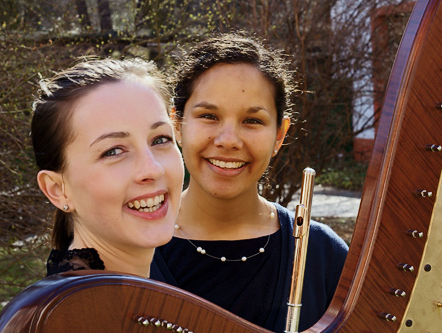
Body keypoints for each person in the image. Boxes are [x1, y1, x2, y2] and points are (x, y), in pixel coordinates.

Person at [150, 33, 349, 331]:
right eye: (209, 115)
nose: (229, 141)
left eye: (252, 121)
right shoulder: (134, 245)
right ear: (177, 124)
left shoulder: (321, 253)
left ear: (279, 135)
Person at [32, 58, 184, 278]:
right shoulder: (75, 310)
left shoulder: (154, 286)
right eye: (113, 151)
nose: (153, 169)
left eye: (160, 139)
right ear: (57, 189)